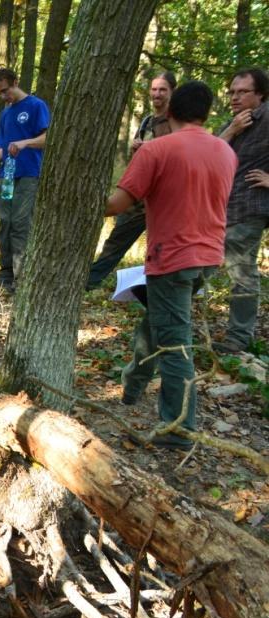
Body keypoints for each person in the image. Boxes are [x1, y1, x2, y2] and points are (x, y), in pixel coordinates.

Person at [104, 81, 237, 449]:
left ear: (170, 110)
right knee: (157, 323)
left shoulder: (157, 150)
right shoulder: (225, 151)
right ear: (206, 113)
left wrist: (77, 195)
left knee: (176, 345)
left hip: (172, 259)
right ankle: (133, 387)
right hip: (208, 257)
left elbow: (116, 205)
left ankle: (178, 430)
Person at [87, 72, 177, 289]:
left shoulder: (176, 121)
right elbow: (139, 160)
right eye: (154, 89)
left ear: (172, 91)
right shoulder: (147, 120)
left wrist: (151, 150)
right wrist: (136, 150)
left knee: (163, 247)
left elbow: (178, 157)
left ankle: (163, 288)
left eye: (162, 89)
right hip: (138, 195)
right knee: (117, 240)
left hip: (164, 197)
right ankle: (89, 282)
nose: (157, 94)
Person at [215, 67, 268, 353]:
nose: (235, 97)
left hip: (249, 207)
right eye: (232, 92)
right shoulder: (234, 122)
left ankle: (238, 340)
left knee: (241, 271)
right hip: (221, 208)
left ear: (260, 94)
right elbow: (209, 153)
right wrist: (232, 129)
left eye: (243, 92)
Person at [0, 68, 49, 292]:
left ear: (15, 82)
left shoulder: (35, 106)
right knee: (5, 222)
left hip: (29, 174)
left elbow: (46, 138)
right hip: (8, 176)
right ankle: (6, 271)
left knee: (21, 223)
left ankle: (22, 276)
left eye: (5, 91)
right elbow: (5, 146)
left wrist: (25, 143)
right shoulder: (6, 112)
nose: (3, 97)